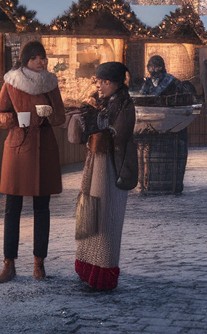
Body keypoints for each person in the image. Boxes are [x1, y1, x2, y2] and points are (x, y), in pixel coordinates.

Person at [0, 41, 65, 284]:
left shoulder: (50, 82)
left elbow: (61, 116)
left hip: (44, 149)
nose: (42, 62)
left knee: (42, 210)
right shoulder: (11, 82)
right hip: (18, 149)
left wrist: (49, 115)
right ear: (26, 60)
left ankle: (38, 264)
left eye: (43, 57)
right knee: (12, 209)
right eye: (36, 58)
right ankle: (8, 263)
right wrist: (13, 119)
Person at [68, 61, 137, 290]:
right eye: (98, 81)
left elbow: (118, 134)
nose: (99, 85)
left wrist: (95, 122)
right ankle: (87, 265)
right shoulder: (102, 102)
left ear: (115, 83)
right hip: (94, 162)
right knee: (90, 213)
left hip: (111, 166)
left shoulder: (124, 104)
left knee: (107, 217)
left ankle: (103, 271)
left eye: (104, 81)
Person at [135, 55, 196, 189]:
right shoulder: (147, 83)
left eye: (157, 67)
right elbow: (141, 98)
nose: (154, 70)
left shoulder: (173, 82)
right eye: (151, 67)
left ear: (162, 67)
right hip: (151, 126)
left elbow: (184, 100)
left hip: (171, 124)